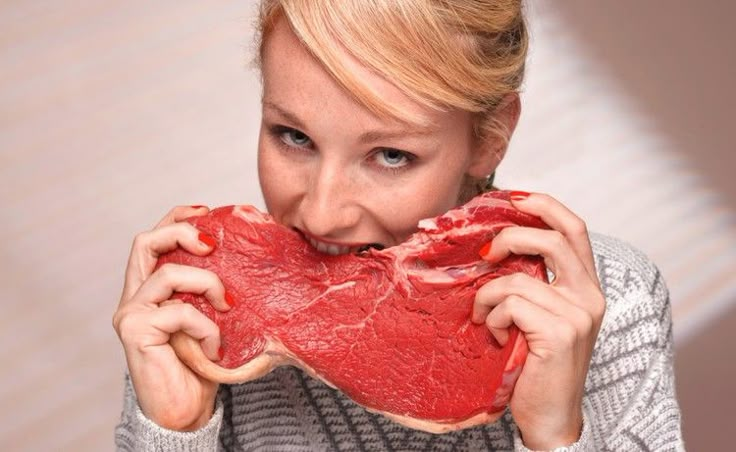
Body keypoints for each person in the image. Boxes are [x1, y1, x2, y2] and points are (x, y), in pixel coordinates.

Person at [113, 1, 684, 450]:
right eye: (294, 137)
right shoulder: (207, 300)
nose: (321, 212)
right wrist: (175, 431)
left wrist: (556, 436)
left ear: (488, 137)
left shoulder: (607, 303)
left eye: (390, 155)